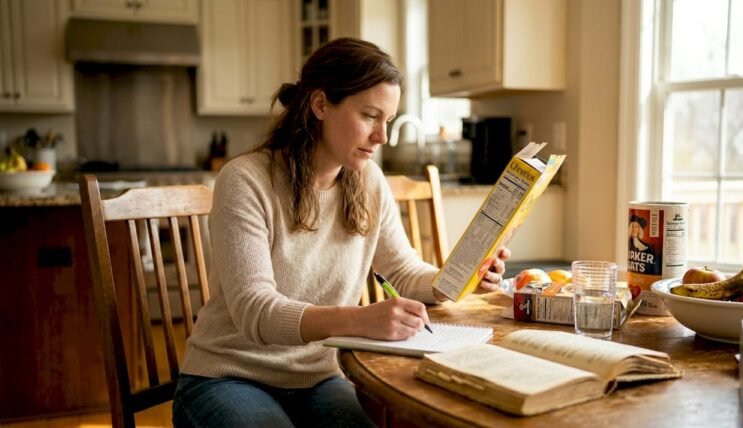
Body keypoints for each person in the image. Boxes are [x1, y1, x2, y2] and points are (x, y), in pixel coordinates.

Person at [172, 38, 511, 427]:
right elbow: (255, 310)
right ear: (319, 105)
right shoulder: (245, 180)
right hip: (227, 377)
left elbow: (401, 272)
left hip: (317, 377)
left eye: (388, 120)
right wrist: (358, 319)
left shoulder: (369, 182)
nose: (381, 136)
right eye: (370, 116)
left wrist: (459, 276)